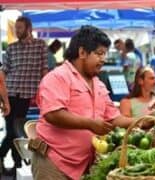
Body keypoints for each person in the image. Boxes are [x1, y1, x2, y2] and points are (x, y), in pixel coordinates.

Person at [32, 25, 133, 180]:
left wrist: (140, 122)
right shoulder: (57, 77)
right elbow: (53, 114)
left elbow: (113, 118)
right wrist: (90, 124)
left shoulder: (98, 84)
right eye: (99, 54)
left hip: (85, 165)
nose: (103, 60)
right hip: (53, 162)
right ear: (82, 52)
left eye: (105, 54)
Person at [0, 16, 48, 176]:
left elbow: (44, 71)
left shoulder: (40, 46)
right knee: (13, 130)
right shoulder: (12, 48)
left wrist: (46, 93)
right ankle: (16, 164)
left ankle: (14, 165)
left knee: (15, 131)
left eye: (19, 28)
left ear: (29, 28)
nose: (17, 31)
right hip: (11, 93)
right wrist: (3, 99)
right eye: (16, 28)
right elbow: (3, 73)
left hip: (27, 95)